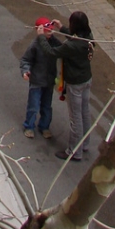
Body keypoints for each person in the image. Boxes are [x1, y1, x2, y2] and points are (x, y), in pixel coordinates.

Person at [36, 11, 94, 160]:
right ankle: (85, 144)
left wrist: (42, 37)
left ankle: (74, 151)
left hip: (75, 83)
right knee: (84, 112)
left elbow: (51, 52)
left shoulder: (72, 47)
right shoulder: (88, 37)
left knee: (75, 118)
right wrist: (62, 28)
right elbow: (75, 37)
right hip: (86, 79)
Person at [20, 17, 60, 139]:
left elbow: (64, 49)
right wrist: (25, 71)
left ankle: (44, 126)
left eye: (51, 30)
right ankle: (29, 126)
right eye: (47, 31)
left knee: (47, 106)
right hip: (37, 80)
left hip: (49, 80)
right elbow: (25, 60)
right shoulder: (35, 45)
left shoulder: (54, 42)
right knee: (33, 105)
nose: (50, 32)